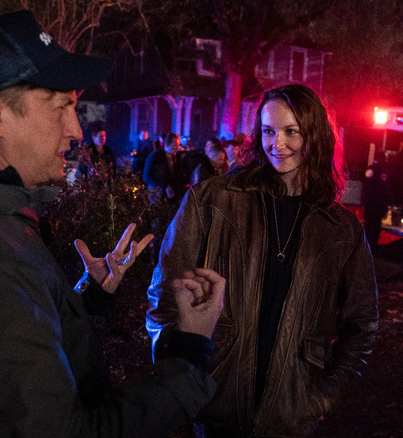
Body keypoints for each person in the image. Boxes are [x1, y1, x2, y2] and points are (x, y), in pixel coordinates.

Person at [0, 10, 225, 437]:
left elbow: (23, 347)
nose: (76, 130)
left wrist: (90, 299)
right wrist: (187, 358)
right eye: (61, 107)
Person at [147, 84, 379, 437]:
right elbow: (165, 296)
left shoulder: (341, 229)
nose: (277, 144)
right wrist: (184, 375)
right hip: (215, 405)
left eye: (291, 132)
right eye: (269, 131)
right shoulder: (213, 199)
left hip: (290, 415)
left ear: (314, 135)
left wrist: (321, 398)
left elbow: (362, 326)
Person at [361, 158, 392, 255]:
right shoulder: (384, 172)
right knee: (376, 228)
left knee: (369, 227)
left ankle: (365, 248)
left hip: (371, 206)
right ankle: (373, 249)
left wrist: (364, 203)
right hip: (379, 206)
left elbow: (366, 189)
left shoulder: (371, 170)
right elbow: (386, 190)